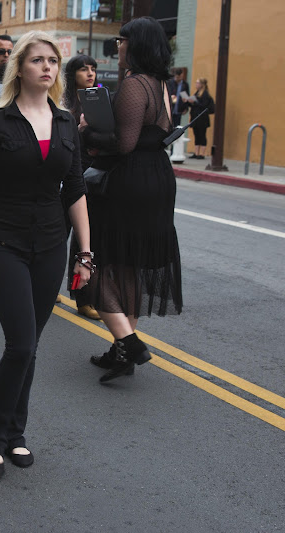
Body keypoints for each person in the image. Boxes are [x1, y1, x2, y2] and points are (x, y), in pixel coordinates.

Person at [0, 31, 91, 479]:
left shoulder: (67, 123)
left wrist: (85, 251)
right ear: (20, 69)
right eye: (37, 61)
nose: (47, 67)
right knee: (21, 344)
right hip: (3, 242)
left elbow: (75, 189)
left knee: (30, 348)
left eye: (53, 61)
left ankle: (16, 433)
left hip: (51, 244)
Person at [80, 16, 182, 381]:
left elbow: (123, 143)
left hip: (130, 183)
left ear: (135, 45)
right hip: (156, 177)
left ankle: (130, 343)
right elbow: (155, 134)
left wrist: (87, 131)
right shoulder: (160, 83)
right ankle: (122, 347)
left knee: (100, 261)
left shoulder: (136, 84)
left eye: (122, 40)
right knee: (129, 262)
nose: (118, 46)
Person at [62, 54, 101, 321]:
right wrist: (80, 127)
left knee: (84, 240)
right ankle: (46, 283)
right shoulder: (64, 102)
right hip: (66, 174)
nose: (90, 74)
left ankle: (83, 297)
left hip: (94, 175)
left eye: (93, 69)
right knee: (57, 234)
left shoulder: (99, 99)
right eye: (83, 69)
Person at [187, 77, 213, 160]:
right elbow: (194, 105)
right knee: (196, 135)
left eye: (198, 83)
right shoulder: (197, 93)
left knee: (202, 135)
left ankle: (202, 153)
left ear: (202, 85)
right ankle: (196, 152)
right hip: (195, 117)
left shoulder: (205, 94)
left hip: (202, 118)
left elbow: (204, 106)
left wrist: (194, 102)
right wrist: (188, 102)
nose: (196, 84)